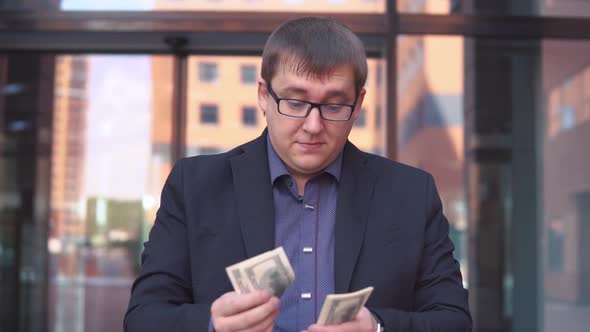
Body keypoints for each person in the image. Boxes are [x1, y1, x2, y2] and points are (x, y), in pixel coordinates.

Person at [124, 16, 471, 332]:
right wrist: (212, 324)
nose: (313, 126)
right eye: (295, 102)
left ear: (359, 105)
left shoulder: (410, 193)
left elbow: (454, 320)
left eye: (334, 105)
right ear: (263, 95)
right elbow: (143, 318)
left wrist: (377, 328)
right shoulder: (195, 186)